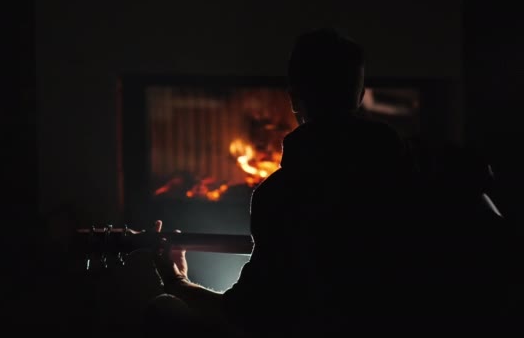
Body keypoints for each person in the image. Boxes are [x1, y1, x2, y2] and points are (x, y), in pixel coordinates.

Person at [149, 28, 518, 336]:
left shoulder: (279, 196)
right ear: (359, 96)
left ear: (294, 100)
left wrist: (177, 283)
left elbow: (248, 315)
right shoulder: (422, 171)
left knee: (164, 311)